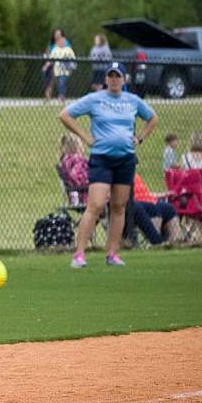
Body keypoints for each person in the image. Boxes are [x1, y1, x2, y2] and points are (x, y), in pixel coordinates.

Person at [60, 63, 158, 268]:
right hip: (101, 159)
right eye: (111, 76)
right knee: (95, 205)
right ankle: (79, 255)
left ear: (124, 79)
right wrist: (85, 137)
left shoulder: (132, 101)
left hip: (125, 159)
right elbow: (65, 115)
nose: (114, 79)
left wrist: (139, 138)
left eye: (118, 76)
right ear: (106, 79)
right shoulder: (95, 99)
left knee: (119, 206)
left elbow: (152, 118)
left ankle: (112, 254)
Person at [127, 174, 182, 246]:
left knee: (168, 208)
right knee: (153, 207)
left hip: (148, 200)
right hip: (136, 202)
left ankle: (175, 241)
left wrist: (162, 194)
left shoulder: (134, 174)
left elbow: (146, 194)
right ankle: (156, 242)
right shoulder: (121, 174)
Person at [42, 33, 76, 101]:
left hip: (66, 70)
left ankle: (61, 96)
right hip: (57, 71)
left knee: (62, 82)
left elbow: (73, 59)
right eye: (60, 41)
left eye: (63, 41)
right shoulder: (55, 49)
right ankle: (61, 95)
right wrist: (46, 66)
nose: (62, 43)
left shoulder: (68, 49)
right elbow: (51, 59)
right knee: (59, 84)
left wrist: (72, 68)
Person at [58, 133, 89, 206]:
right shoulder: (76, 161)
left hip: (78, 191)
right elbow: (76, 177)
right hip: (85, 192)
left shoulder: (65, 161)